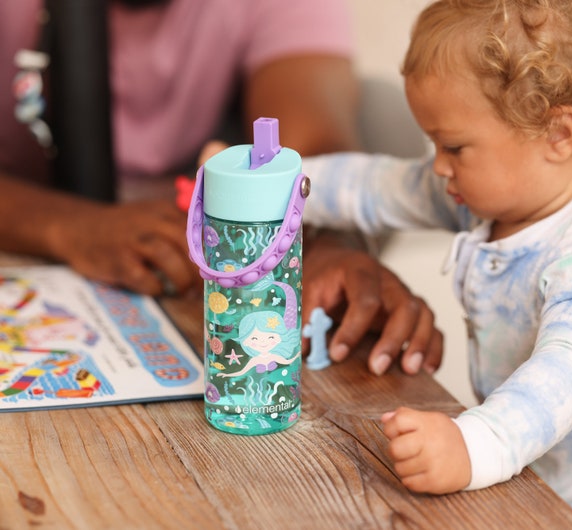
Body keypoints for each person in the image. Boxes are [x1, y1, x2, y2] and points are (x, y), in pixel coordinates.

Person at [299, 0, 572, 527]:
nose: (438, 165)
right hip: (541, 469)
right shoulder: (494, 191)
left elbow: (566, 375)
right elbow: (379, 187)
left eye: (453, 146)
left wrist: (474, 445)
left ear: (558, 134)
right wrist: (282, 182)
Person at [0, 0, 442, 376]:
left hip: (202, 242)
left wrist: (319, 248)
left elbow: (314, 153)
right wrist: (70, 226)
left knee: (383, 117)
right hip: (31, 217)